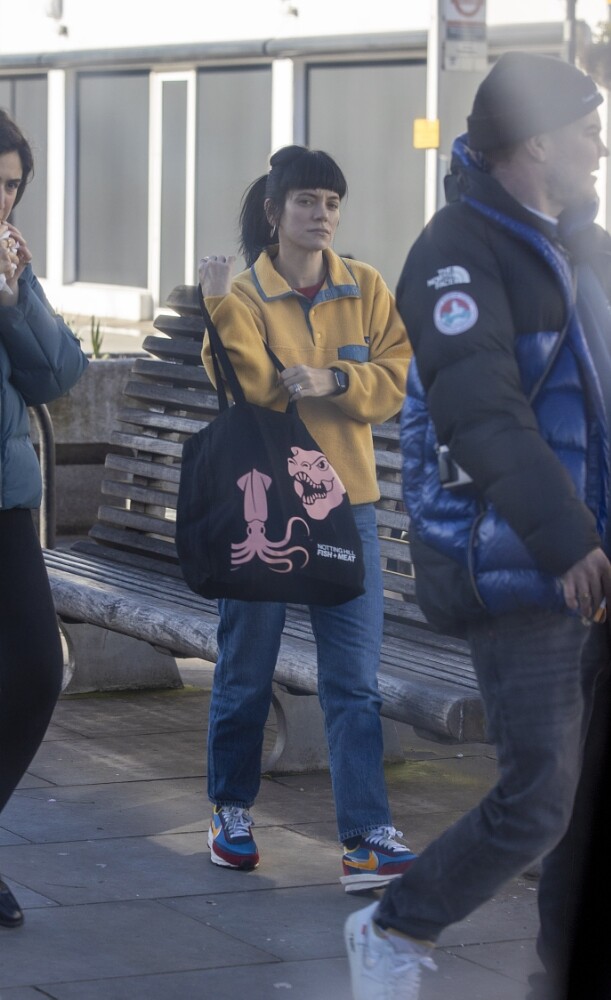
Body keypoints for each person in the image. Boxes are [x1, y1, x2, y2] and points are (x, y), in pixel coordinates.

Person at [344, 52, 611, 1000]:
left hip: (590, 558)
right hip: (526, 565)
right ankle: (393, 924)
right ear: (534, 141)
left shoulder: (582, 244)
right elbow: (479, 409)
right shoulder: (456, 250)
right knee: (538, 798)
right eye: (586, 128)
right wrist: (565, 540)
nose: (600, 145)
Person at [198, 144, 414, 892]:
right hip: (263, 503)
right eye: (306, 201)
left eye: (331, 202)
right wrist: (219, 306)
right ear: (273, 212)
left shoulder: (366, 287)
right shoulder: (242, 294)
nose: (322, 214)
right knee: (246, 668)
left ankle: (366, 839)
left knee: (353, 681)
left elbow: (397, 378)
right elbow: (253, 389)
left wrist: (335, 379)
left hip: (347, 509)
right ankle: (230, 810)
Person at [0, 108, 88, 928]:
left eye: (13, 186)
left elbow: (57, 375)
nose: (3, 201)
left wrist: (14, 298)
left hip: (5, 501)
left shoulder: (9, 263)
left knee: (34, 669)